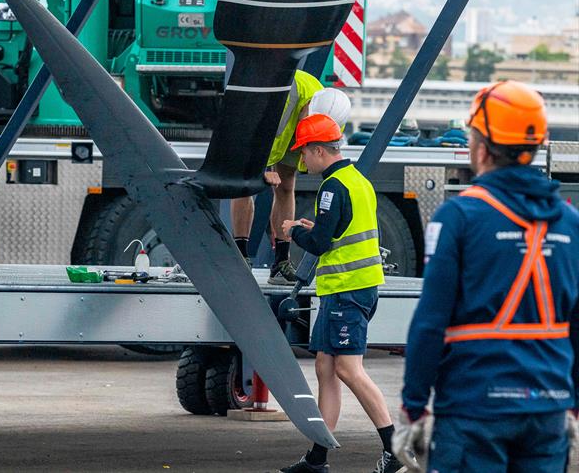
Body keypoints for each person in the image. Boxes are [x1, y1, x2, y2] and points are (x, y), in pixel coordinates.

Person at [392, 80, 579, 473]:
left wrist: (413, 404)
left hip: (474, 407)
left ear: (481, 145)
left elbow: (431, 321)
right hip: (548, 407)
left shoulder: (459, 217)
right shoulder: (569, 221)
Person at [279, 114, 402, 473]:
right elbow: (339, 231)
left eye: (304, 153)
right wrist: (314, 227)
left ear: (319, 150)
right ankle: (318, 458)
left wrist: (292, 232)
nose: (302, 161)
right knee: (325, 367)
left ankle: (394, 448)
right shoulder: (357, 181)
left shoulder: (332, 187)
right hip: (349, 289)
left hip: (347, 290)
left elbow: (319, 244)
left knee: (348, 370)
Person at [230, 72, 351, 286]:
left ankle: (280, 263)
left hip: (293, 133)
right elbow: (251, 140)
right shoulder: (284, 96)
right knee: (245, 184)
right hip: (263, 129)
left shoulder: (333, 115)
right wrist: (259, 171)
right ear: (309, 107)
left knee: (287, 186)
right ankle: (240, 258)